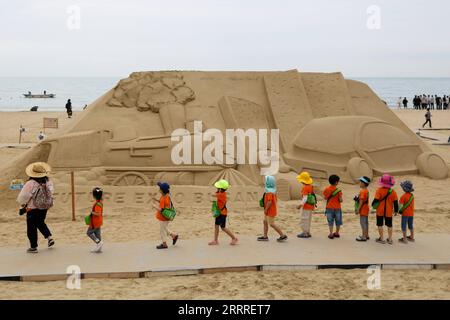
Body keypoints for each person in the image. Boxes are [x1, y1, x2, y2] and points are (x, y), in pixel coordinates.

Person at [17, 162, 55, 253]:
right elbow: (51, 192)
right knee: (40, 223)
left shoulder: (30, 183)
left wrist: (22, 205)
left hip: (32, 209)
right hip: (44, 207)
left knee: (31, 227)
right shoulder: (48, 182)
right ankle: (49, 237)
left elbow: (23, 197)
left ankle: (33, 247)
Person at [257, 176, 288, 242]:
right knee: (265, 222)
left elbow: (269, 202)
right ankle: (265, 236)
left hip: (270, 211)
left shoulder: (269, 192)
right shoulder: (272, 190)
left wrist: (266, 209)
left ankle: (282, 235)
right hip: (268, 210)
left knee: (272, 224)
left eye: (266, 181)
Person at [209, 179, 238, 246]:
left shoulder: (221, 194)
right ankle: (215, 240)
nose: (217, 188)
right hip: (219, 213)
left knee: (223, 227)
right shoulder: (221, 193)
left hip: (222, 213)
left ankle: (234, 238)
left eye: (218, 187)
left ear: (221, 188)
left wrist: (217, 191)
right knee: (216, 226)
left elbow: (213, 195)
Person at [372, 174, 399, 245]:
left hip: (380, 211)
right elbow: (396, 203)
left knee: (380, 224)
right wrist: (396, 211)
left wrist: (373, 205)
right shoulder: (393, 192)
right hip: (389, 212)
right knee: (389, 225)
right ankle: (390, 239)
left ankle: (381, 238)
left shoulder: (379, 190)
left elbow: (375, 201)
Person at [153, 182, 179, 249]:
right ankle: (174, 236)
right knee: (165, 228)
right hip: (165, 217)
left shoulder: (164, 198)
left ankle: (164, 244)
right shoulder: (165, 196)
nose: (159, 190)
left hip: (163, 218)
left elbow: (161, 209)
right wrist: (158, 200)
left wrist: (155, 206)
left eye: (160, 189)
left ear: (162, 190)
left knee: (162, 231)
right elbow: (164, 204)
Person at [323, 175, 343, 239]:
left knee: (330, 221)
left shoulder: (326, 189)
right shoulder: (339, 191)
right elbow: (341, 200)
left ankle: (331, 234)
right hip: (337, 208)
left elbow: (325, 198)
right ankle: (337, 233)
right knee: (338, 221)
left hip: (329, 207)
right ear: (336, 182)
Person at [296, 172, 316, 238]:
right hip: (311, 206)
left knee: (304, 219)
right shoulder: (311, 187)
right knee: (308, 219)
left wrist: (300, 205)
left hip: (306, 206)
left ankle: (305, 232)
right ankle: (308, 232)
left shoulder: (305, 188)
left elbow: (305, 198)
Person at [86, 187, 104, 253]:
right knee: (97, 234)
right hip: (99, 221)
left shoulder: (97, 204)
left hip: (94, 222)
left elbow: (98, 213)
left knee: (89, 233)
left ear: (94, 196)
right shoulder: (100, 202)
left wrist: (92, 212)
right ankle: (99, 248)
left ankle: (98, 243)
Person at [355, 176, 371, 242]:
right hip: (366, 207)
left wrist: (358, 209)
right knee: (366, 222)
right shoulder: (366, 190)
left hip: (363, 208)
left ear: (364, 183)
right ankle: (366, 235)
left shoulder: (362, 191)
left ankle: (364, 236)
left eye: (360, 182)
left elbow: (361, 201)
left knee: (362, 223)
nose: (359, 183)